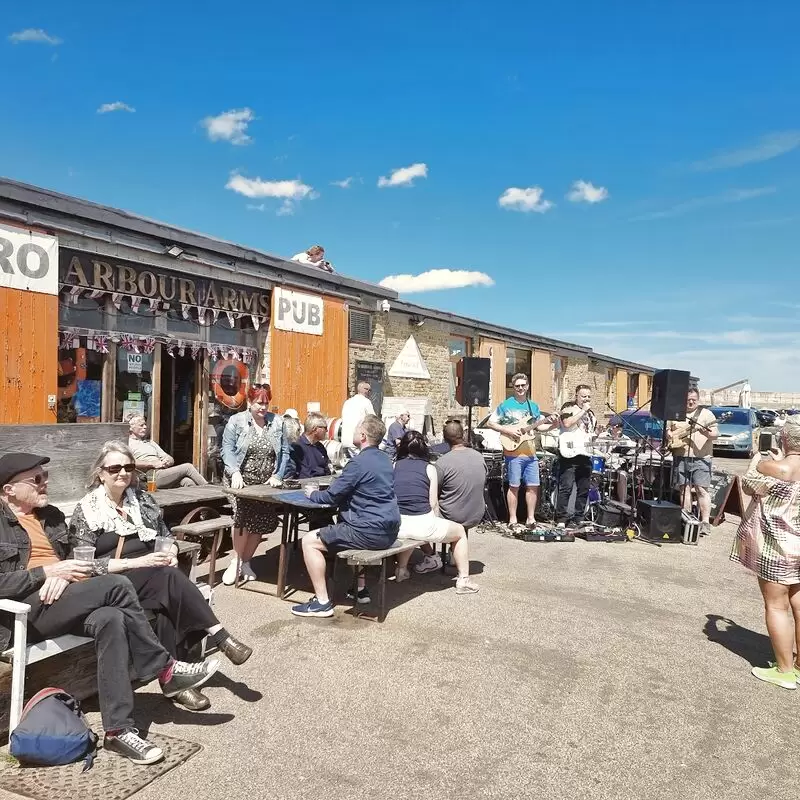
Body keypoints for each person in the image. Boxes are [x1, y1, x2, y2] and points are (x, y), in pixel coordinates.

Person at [0, 452, 218, 765]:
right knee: (117, 586)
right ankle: (165, 668)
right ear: (9, 490)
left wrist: (67, 573)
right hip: (22, 612)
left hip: (64, 597)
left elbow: (82, 563)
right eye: (36, 479)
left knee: (111, 618)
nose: (45, 482)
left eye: (45, 476)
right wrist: (47, 573)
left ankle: (118, 731)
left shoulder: (52, 517)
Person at [68, 441, 253, 711]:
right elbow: (84, 565)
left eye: (128, 467)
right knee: (168, 579)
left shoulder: (142, 500)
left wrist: (172, 551)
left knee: (165, 598)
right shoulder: (87, 510)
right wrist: (138, 561)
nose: (123, 472)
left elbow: (165, 534)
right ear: (101, 473)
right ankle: (219, 635)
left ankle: (175, 685)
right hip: (112, 581)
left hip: (151, 574)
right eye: (115, 468)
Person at [291, 416, 400, 618]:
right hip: (390, 530)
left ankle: (322, 602)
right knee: (346, 524)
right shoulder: (386, 460)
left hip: (368, 531)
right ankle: (360, 589)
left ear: (363, 435)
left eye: (357, 426)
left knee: (308, 542)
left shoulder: (357, 463)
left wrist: (312, 494)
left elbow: (332, 496)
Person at [730, 417, 800, 689]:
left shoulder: (772, 467)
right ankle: (797, 665)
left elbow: (748, 485)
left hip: (776, 546)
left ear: (784, 439)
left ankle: (784, 671)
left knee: (776, 605)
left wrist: (758, 460)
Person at [220, 385, 290, 585]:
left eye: (266, 403)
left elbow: (285, 451)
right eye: (259, 403)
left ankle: (246, 561)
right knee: (243, 518)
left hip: (265, 482)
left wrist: (278, 474)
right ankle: (236, 560)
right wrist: (234, 471)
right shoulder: (236, 421)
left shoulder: (277, 422)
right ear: (250, 402)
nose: (263, 407)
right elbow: (227, 448)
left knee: (260, 521)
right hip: (240, 480)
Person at [393, 431, 479, 593]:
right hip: (422, 524)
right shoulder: (429, 468)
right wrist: (437, 521)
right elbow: (433, 503)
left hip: (398, 524)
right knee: (460, 532)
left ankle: (402, 570)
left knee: (410, 533)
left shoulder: (394, 466)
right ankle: (464, 580)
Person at [484, 373, 556, 531]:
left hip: (531, 453)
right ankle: (512, 518)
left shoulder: (533, 406)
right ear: (513, 387)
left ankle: (531, 518)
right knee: (514, 486)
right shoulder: (506, 405)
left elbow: (539, 427)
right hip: (513, 453)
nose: (521, 388)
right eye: (517, 386)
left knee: (533, 486)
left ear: (528, 386)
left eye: (523, 385)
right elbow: (490, 422)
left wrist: (552, 425)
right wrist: (508, 432)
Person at [667, 388, 719, 535]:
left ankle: (705, 523)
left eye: (693, 400)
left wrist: (706, 433)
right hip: (680, 455)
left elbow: (715, 434)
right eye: (688, 400)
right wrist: (669, 434)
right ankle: (686, 518)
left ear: (698, 400)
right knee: (684, 489)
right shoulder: (676, 414)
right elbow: (668, 430)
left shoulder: (706, 414)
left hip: (701, 458)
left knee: (701, 489)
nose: (690, 402)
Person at [555, 385, 598, 529]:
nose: (586, 399)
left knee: (583, 489)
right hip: (569, 454)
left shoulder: (591, 415)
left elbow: (590, 433)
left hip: (585, 454)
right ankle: (561, 517)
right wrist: (582, 411)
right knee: (566, 487)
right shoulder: (568, 408)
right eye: (583, 396)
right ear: (576, 396)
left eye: (588, 396)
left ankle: (578, 517)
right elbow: (566, 423)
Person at [436, 419, 488, 535]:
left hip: (452, 516)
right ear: (463, 435)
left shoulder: (442, 462)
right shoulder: (479, 456)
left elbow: (434, 491)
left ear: (444, 438)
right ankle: (458, 545)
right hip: (476, 514)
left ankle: (431, 552)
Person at [128, 415, 207, 488]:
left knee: (188, 481)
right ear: (131, 427)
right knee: (188, 467)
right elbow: (129, 462)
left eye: (145, 424)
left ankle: (202, 502)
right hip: (150, 476)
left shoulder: (150, 442)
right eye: (141, 425)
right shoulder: (128, 443)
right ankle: (208, 488)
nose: (145, 427)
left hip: (164, 472)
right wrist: (153, 464)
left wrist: (167, 460)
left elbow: (169, 458)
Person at [285, 412, 333, 479]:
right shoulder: (297, 447)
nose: (327, 430)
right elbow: (304, 476)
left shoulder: (320, 447)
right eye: (325, 427)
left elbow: (328, 471)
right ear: (315, 429)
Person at [340, 381, 375, 459]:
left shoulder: (347, 402)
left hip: (345, 440)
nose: (370, 392)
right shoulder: (366, 402)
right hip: (357, 441)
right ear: (365, 390)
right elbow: (373, 420)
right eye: (369, 390)